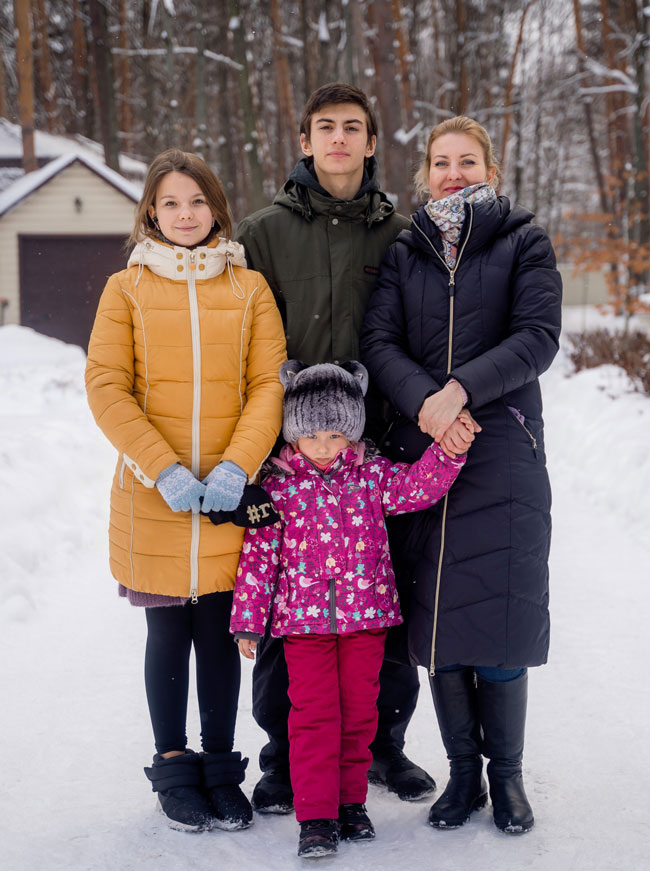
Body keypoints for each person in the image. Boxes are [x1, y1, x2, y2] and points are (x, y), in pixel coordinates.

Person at [235, 80, 438, 814]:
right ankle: (283, 757)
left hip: (374, 452)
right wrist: (253, 452)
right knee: (293, 612)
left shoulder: (400, 237)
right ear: (304, 139)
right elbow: (240, 348)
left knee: (381, 605)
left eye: (354, 126)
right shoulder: (263, 233)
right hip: (290, 454)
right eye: (326, 127)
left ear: (373, 142)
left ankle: (384, 744)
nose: (340, 139)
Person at [361, 116, 562, 835]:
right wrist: (425, 403)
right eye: (441, 162)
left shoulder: (523, 242)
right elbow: (377, 339)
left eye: (467, 160)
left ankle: (507, 780)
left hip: (501, 447)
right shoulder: (405, 251)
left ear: (492, 169)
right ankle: (463, 775)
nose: (454, 173)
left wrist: (460, 392)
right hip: (422, 454)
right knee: (440, 624)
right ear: (425, 173)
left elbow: (536, 337)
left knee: (503, 620)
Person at [85, 149, 286, 833]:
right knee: (168, 627)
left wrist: (238, 464)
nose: (185, 214)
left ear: (216, 208)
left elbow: (268, 384)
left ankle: (221, 765)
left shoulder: (249, 288)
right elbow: (106, 386)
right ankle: (174, 766)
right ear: (151, 212)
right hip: (155, 493)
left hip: (227, 492)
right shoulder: (127, 289)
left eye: (196, 201)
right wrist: (162, 467)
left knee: (221, 629)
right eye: (170, 203)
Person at [230, 361, 468, 857]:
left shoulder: (371, 476)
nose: (321, 446)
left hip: (366, 621)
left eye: (335, 434)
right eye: (310, 434)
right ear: (293, 434)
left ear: (352, 432)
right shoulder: (278, 489)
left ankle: (350, 803)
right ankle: (316, 815)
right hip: (304, 626)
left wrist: (448, 453)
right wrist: (249, 623)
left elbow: (416, 489)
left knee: (359, 715)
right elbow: (258, 558)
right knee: (314, 716)